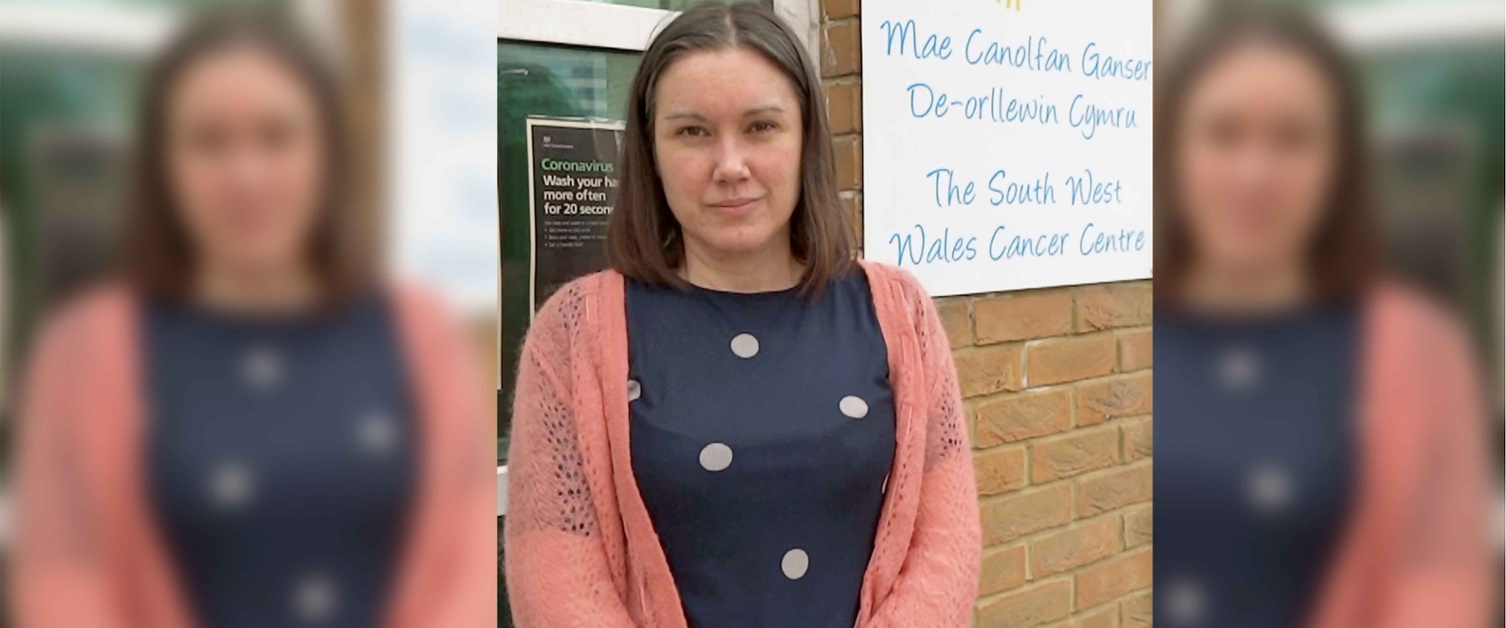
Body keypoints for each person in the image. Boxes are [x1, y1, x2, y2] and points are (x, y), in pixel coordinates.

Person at [8, 10, 493, 627]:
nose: (246, 175)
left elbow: (464, 565)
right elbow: (66, 589)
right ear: (162, 166)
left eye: (276, 136)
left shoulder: (420, 332)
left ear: (327, 154)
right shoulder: (84, 352)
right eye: (209, 141)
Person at [502, 3, 981, 627]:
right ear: (650, 152)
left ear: (805, 136)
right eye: (692, 132)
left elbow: (945, 538)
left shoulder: (897, 313)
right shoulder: (573, 335)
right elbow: (556, 570)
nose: (731, 166)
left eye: (760, 127)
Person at [1153, 6, 1490, 628]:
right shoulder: (1124, 334)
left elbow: (1440, 589)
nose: (1254, 173)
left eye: (1292, 138)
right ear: (1175, 148)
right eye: (1224, 133)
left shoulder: (1415, 351)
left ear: (1340, 165)